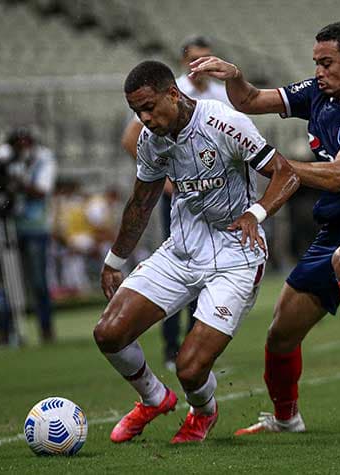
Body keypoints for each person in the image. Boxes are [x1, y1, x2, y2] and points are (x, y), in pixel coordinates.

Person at [190, 21, 340, 434]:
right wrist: (235, 75)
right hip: (331, 235)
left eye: (327, 63)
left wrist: (272, 162)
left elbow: (339, 174)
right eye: (315, 63)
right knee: (279, 336)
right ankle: (285, 418)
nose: (318, 72)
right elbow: (250, 101)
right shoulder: (317, 94)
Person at [94, 60, 299, 444]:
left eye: (150, 107)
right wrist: (115, 260)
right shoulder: (151, 140)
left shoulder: (223, 122)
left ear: (173, 93)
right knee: (109, 333)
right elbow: (141, 202)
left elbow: (286, 174)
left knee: (190, 370)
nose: (145, 118)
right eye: (137, 111)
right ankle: (154, 398)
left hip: (236, 257)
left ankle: (203, 412)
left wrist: (256, 213)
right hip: (181, 251)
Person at [119, 36, 233, 372]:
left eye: (206, 58)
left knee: (209, 274)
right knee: (181, 265)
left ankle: (195, 350)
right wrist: (164, 179)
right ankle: (171, 348)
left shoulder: (218, 94)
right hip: (181, 198)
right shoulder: (170, 90)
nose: (200, 65)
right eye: (195, 58)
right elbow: (131, 138)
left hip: (213, 198)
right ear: (185, 61)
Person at [0, 128, 57, 343]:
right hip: (11, 223)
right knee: (10, 280)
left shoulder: (44, 158)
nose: (21, 151)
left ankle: (46, 329)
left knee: (39, 282)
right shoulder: (7, 153)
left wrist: (18, 182)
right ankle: (6, 329)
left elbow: (42, 189)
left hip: (36, 228)